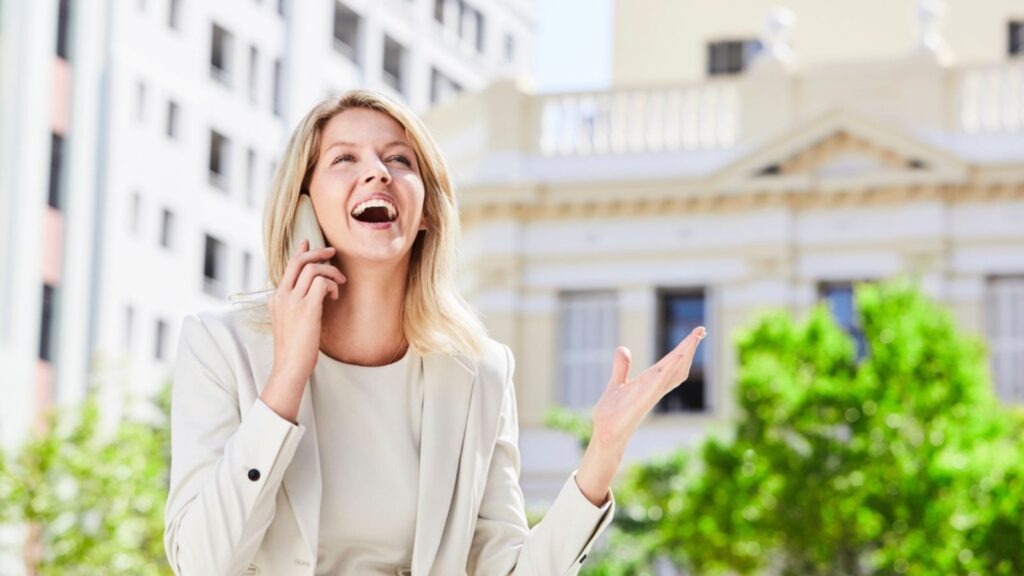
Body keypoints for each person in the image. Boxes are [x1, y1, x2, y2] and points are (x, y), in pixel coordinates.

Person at [162, 89, 707, 576]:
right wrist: (285, 379)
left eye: (399, 160)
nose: (377, 173)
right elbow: (202, 562)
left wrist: (604, 450)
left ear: (425, 211)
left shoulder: (479, 371)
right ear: (305, 205)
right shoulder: (222, 347)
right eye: (344, 158)